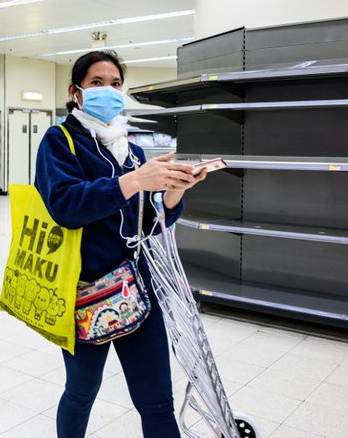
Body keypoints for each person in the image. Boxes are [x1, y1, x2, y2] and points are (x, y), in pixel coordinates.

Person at [34, 50, 207, 437]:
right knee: (81, 393)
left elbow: (149, 220)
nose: (108, 91)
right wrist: (132, 182)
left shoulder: (133, 150)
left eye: (115, 84)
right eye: (96, 83)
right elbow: (65, 205)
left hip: (138, 289)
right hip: (86, 291)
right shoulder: (60, 141)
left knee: (157, 400)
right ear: (75, 91)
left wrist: (174, 193)